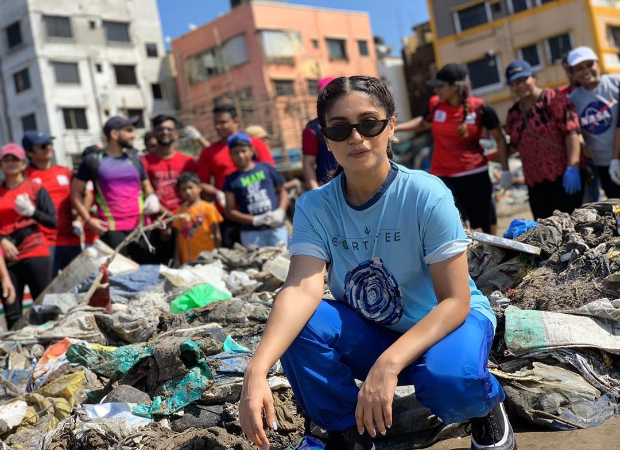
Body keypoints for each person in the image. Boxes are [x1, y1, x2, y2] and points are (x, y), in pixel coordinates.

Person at [238, 76, 515, 450]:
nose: (356, 137)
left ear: (391, 126)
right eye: (340, 128)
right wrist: (255, 370)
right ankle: (350, 432)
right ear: (325, 138)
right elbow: (302, 287)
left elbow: (455, 301)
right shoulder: (314, 206)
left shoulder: (425, 193)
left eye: (369, 123)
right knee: (297, 325)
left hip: (446, 323)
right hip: (376, 328)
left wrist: (388, 364)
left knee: (450, 380)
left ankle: (486, 409)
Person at [394, 64, 508, 234]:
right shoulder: (434, 104)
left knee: (484, 228)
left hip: (475, 176)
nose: (436, 91)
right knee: (452, 229)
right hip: (444, 178)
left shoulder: (480, 108)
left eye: (440, 86)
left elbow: (499, 138)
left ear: (454, 86)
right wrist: (395, 127)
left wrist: (506, 170)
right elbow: (424, 123)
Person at [71, 116, 160, 264]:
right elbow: (75, 193)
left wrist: (152, 197)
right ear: (114, 134)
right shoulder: (93, 160)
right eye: (129, 131)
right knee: (120, 280)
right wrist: (88, 220)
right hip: (111, 230)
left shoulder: (135, 158)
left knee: (148, 278)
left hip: (142, 228)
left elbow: (146, 185)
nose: (134, 135)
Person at [504, 60, 584, 219]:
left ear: (533, 77)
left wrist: (572, 167)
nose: (520, 85)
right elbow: (513, 145)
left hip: (563, 177)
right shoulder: (514, 113)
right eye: (515, 82)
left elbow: (572, 132)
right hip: (535, 183)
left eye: (523, 79)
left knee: (571, 227)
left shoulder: (553, 99)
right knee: (544, 231)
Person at [198, 104, 275, 247]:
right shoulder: (208, 152)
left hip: (260, 212)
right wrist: (218, 194)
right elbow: (202, 185)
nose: (218, 127)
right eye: (216, 123)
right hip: (229, 215)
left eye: (223, 122)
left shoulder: (255, 144)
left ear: (236, 121)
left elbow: (269, 173)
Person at [0, 144, 57, 330]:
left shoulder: (35, 189)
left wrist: (32, 212)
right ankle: (16, 352)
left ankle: (49, 348)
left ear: (23, 164)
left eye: (15, 159)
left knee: (44, 305)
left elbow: (52, 221)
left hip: (35, 252)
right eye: (6, 159)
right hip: (7, 257)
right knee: (12, 309)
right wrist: (2, 241)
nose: (11, 163)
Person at [23, 131, 83, 275]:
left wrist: (80, 219)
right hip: (44, 244)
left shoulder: (65, 172)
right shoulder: (25, 177)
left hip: (71, 239)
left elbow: (80, 196)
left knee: (80, 287)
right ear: (30, 153)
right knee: (50, 291)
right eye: (43, 146)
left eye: (49, 144)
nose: (49, 148)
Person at [142, 114, 198, 265]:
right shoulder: (144, 162)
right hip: (159, 226)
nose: (165, 132)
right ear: (154, 133)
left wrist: (177, 220)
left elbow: (195, 193)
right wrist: (168, 219)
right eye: (160, 129)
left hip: (186, 223)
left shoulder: (188, 161)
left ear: (176, 133)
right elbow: (146, 192)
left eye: (169, 129)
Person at [567, 46, 620, 199]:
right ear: (573, 73)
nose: (586, 71)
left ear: (598, 64)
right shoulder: (572, 100)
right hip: (603, 164)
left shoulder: (616, 83)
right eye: (579, 68)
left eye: (590, 65)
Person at [223, 133, 289, 247]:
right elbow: (230, 211)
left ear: (251, 150)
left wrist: (281, 211)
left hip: (276, 227)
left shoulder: (266, 168)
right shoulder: (230, 180)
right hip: (250, 233)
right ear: (231, 155)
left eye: (243, 151)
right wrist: (255, 220)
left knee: (282, 260)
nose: (241, 155)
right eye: (236, 152)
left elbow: (282, 190)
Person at [172, 172, 223, 264]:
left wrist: (217, 254)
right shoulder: (179, 211)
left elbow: (216, 234)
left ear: (199, 188)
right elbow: (178, 237)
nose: (188, 192)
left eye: (190, 187)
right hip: (187, 258)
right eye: (183, 189)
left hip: (207, 256)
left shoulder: (208, 208)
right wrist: (177, 259)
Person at [302, 77, 339, 189]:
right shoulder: (313, 129)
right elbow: (308, 163)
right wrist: (316, 192)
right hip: (330, 188)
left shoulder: (355, 121)